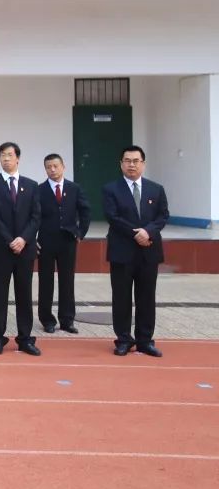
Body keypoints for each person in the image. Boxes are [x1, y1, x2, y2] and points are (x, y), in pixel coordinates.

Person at [103, 146, 168, 357]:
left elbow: (163, 215)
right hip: (122, 252)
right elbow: (113, 217)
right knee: (121, 298)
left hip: (149, 251)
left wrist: (148, 232)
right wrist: (136, 234)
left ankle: (145, 340)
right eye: (127, 161)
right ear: (121, 164)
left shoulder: (156, 189)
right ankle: (123, 339)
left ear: (143, 164)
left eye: (136, 161)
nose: (132, 165)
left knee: (146, 298)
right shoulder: (111, 189)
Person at [0, 142, 42, 356]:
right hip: (0, 249)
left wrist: (23, 239)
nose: (6, 158)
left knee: (24, 295)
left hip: (25, 250)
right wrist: (10, 240)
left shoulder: (31, 185)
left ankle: (25, 339)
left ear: (18, 158)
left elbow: (36, 217)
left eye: (9, 155)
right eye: (2, 155)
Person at [37, 153, 91, 334]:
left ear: (63, 167)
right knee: (46, 281)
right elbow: (33, 216)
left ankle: (67, 320)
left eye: (55, 166)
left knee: (67, 281)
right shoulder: (39, 190)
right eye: (48, 167)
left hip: (68, 240)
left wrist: (80, 233)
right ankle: (47, 320)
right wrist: (33, 239)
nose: (52, 170)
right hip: (45, 241)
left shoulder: (74, 188)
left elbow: (85, 211)